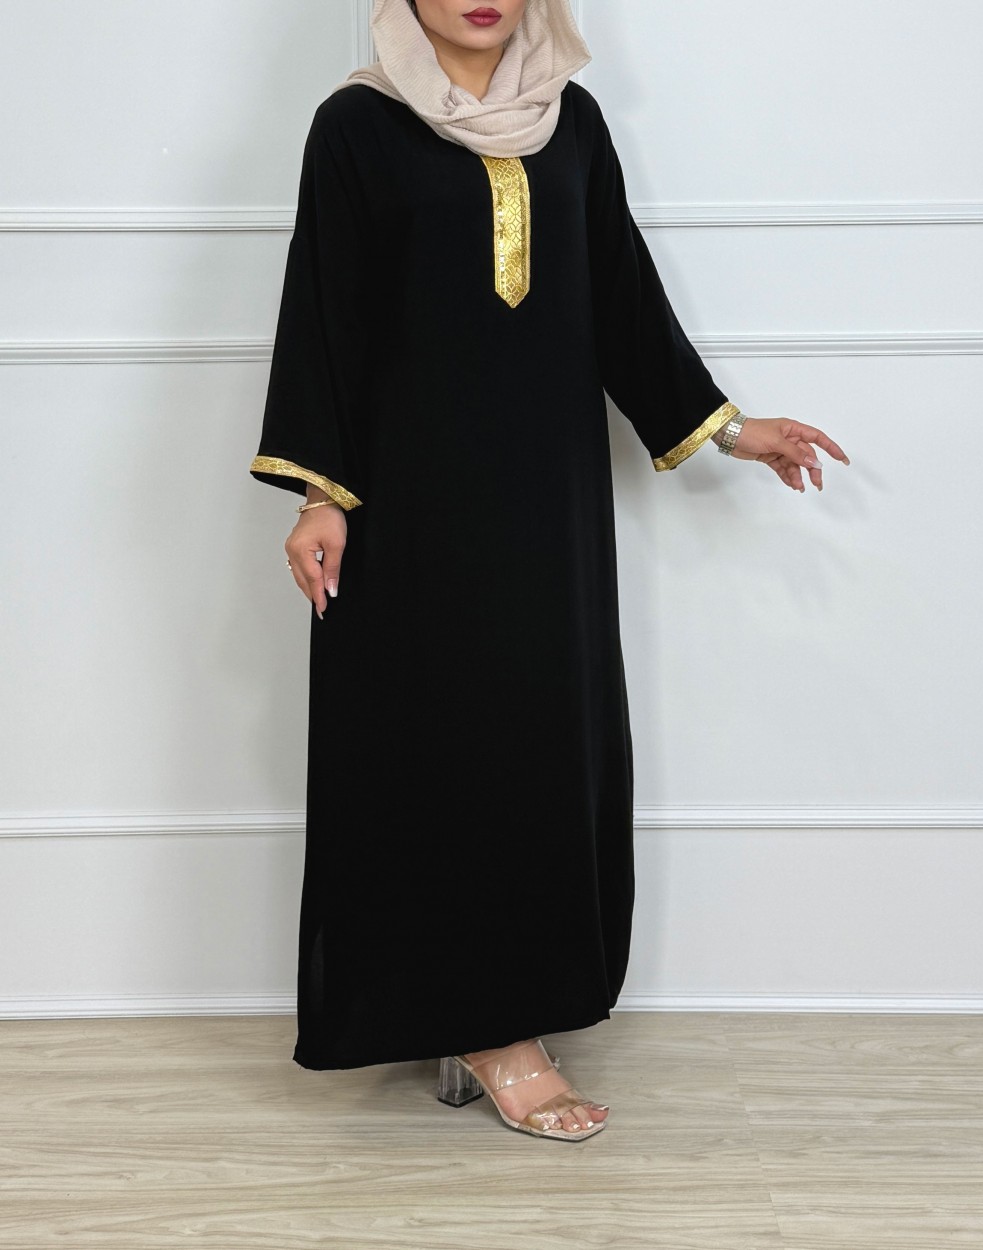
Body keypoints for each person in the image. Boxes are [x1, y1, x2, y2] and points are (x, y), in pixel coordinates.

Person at [249, 0, 850, 1143]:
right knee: (432, 744)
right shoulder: (356, 127)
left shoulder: (571, 123)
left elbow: (623, 301)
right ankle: (484, 1027)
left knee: (535, 740)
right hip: (409, 512)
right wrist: (320, 495)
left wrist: (733, 429)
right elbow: (326, 311)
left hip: (546, 507)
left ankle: (512, 1005)